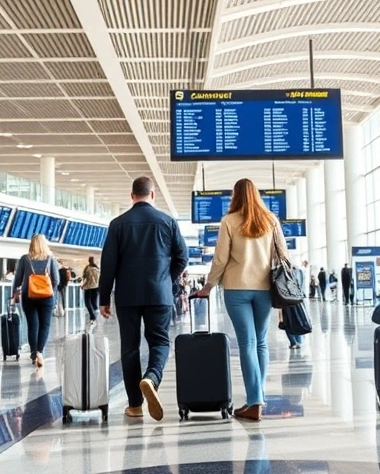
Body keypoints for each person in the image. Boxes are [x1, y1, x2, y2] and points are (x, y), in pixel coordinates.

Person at [194, 178, 289, 421]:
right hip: (265, 288)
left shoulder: (229, 221)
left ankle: (254, 401)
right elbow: (283, 255)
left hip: (237, 289)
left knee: (247, 344)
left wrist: (209, 286)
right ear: (257, 195)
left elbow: (220, 259)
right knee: (261, 344)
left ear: (235, 196)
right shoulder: (271, 220)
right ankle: (258, 397)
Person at [99, 176, 188, 421]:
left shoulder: (118, 224)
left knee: (130, 348)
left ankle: (135, 405)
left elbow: (108, 264)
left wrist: (104, 297)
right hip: (159, 293)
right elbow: (182, 257)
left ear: (132, 195)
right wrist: (165, 280)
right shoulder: (168, 222)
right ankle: (151, 377)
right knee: (159, 342)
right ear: (153, 194)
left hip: (127, 295)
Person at [14, 234, 60, 368]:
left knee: (32, 325)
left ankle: (34, 354)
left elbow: (18, 279)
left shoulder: (25, 259)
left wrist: (14, 294)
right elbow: (56, 280)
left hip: (29, 296)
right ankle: (40, 351)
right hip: (47, 296)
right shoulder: (51, 259)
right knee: (45, 325)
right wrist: (53, 296)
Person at [81, 256, 100, 329]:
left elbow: (87, 279)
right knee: (94, 301)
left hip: (88, 287)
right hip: (96, 287)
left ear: (89, 261)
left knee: (87, 302)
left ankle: (92, 316)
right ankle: (96, 314)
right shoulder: (97, 269)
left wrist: (83, 285)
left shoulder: (88, 269)